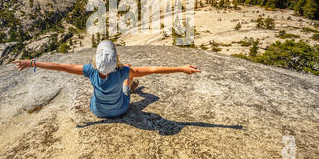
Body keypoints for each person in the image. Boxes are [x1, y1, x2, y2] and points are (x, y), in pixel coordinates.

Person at [12, 40, 201, 118]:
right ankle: (129, 85)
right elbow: (153, 69)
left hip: (98, 111)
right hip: (120, 109)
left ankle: (126, 86)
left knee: (102, 91)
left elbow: (59, 66)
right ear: (116, 58)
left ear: (95, 60)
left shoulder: (89, 71)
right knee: (126, 82)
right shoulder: (122, 71)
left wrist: (31, 63)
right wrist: (181, 69)